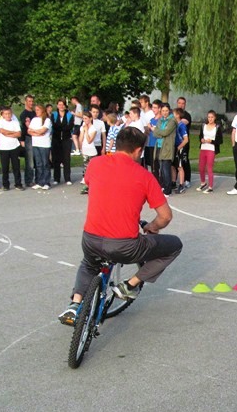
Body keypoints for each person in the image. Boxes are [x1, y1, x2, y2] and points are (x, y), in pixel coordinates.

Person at [58, 126, 183, 325]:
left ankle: (75, 304)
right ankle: (130, 285)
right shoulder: (144, 176)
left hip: (90, 238)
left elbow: (95, 185)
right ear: (138, 150)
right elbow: (166, 216)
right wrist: (152, 226)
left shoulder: (95, 163)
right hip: (124, 245)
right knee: (174, 245)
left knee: (88, 264)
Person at [152, 103, 177, 195]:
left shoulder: (172, 121)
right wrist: (159, 132)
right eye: (163, 111)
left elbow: (166, 132)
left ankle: (168, 190)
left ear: (169, 111)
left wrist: (158, 131)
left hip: (167, 147)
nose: (165, 112)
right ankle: (163, 186)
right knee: (161, 169)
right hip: (159, 146)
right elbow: (155, 133)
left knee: (166, 169)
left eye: (166, 111)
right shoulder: (160, 120)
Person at [0, 106, 23, 190]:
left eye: (9, 113)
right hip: (4, 147)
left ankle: (18, 183)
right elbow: (3, 131)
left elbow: (19, 134)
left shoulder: (15, 122)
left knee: (16, 166)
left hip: (14, 146)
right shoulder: (1, 122)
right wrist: (13, 132)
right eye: (6, 114)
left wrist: (10, 134)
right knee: (5, 167)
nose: (8, 115)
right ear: (3, 115)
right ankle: (6, 184)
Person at [28, 103, 52, 190]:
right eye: (36, 110)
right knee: (38, 164)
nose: (36, 111)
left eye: (38, 110)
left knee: (45, 163)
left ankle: (46, 182)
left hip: (44, 144)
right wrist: (37, 133)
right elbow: (29, 131)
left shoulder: (47, 120)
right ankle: (39, 181)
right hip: (36, 144)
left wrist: (35, 131)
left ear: (42, 110)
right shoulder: (34, 119)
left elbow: (43, 130)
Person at [197, 110, 222, 193]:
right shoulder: (203, 126)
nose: (210, 119)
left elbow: (220, 140)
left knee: (209, 168)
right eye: (209, 117)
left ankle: (210, 187)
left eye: (212, 117)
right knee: (201, 167)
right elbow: (200, 136)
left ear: (215, 118)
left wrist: (212, 141)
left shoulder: (217, 127)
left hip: (211, 149)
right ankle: (203, 183)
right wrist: (201, 139)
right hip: (203, 148)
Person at [51, 99, 74, 186]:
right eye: (59, 104)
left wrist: (60, 127)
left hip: (66, 139)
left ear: (65, 106)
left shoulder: (69, 115)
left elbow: (70, 126)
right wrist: (62, 127)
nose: (61, 106)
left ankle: (67, 178)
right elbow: (53, 125)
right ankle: (56, 178)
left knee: (66, 159)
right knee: (56, 159)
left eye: (63, 104)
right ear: (57, 105)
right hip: (56, 139)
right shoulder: (54, 114)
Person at [79, 111, 100, 194]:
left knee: (92, 169)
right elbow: (81, 139)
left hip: (91, 150)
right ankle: (87, 185)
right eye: (83, 119)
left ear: (90, 118)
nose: (85, 120)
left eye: (86, 118)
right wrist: (83, 131)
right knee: (85, 169)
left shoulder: (93, 129)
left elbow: (89, 140)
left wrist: (86, 130)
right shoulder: (82, 127)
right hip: (85, 150)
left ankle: (93, 185)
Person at [18, 94, 36, 187]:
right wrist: (22, 140)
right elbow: (26, 127)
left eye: (32, 101)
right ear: (25, 102)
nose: (31, 103)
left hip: (36, 138)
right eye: (29, 101)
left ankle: (38, 179)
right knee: (30, 161)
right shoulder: (24, 114)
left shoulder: (35, 113)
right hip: (28, 138)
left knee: (37, 160)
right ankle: (29, 180)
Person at [175, 96, 192, 186]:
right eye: (179, 103)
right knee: (176, 162)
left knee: (184, 160)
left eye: (183, 103)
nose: (181, 105)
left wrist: (176, 119)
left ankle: (187, 179)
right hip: (176, 142)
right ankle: (175, 180)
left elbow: (183, 122)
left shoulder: (186, 115)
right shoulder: (174, 114)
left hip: (184, 142)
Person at [173, 107, 189, 192]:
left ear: (178, 115)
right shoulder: (174, 124)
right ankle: (173, 182)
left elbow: (186, 140)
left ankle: (181, 184)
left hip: (179, 147)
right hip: (173, 146)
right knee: (173, 165)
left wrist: (179, 147)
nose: (172, 115)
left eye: (174, 114)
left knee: (180, 166)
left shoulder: (182, 125)